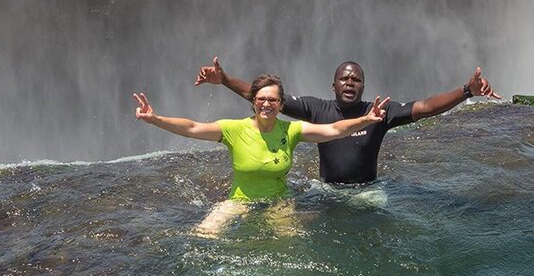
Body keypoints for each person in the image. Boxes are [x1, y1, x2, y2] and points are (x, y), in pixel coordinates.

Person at [133, 74, 390, 234]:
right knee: (204, 236)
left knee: (288, 244)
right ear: (253, 100)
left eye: (273, 100)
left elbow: (333, 129)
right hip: (239, 200)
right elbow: (192, 127)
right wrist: (155, 119)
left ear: (281, 104)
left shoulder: (291, 130)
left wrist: (366, 120)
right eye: (261, 99)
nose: (267, 104)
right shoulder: (234, 129)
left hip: (278, 201)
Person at [194, 58, 500, 185]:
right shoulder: (317, 110)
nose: (350, 83)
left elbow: (425, 107)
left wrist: (465, 91)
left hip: (367, 193)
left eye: (356, 79)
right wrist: (224, 80)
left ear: (363, 86)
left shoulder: (379, 112)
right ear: (334, 85)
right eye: (344, 78)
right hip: (326, 193)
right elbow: (265, 99)